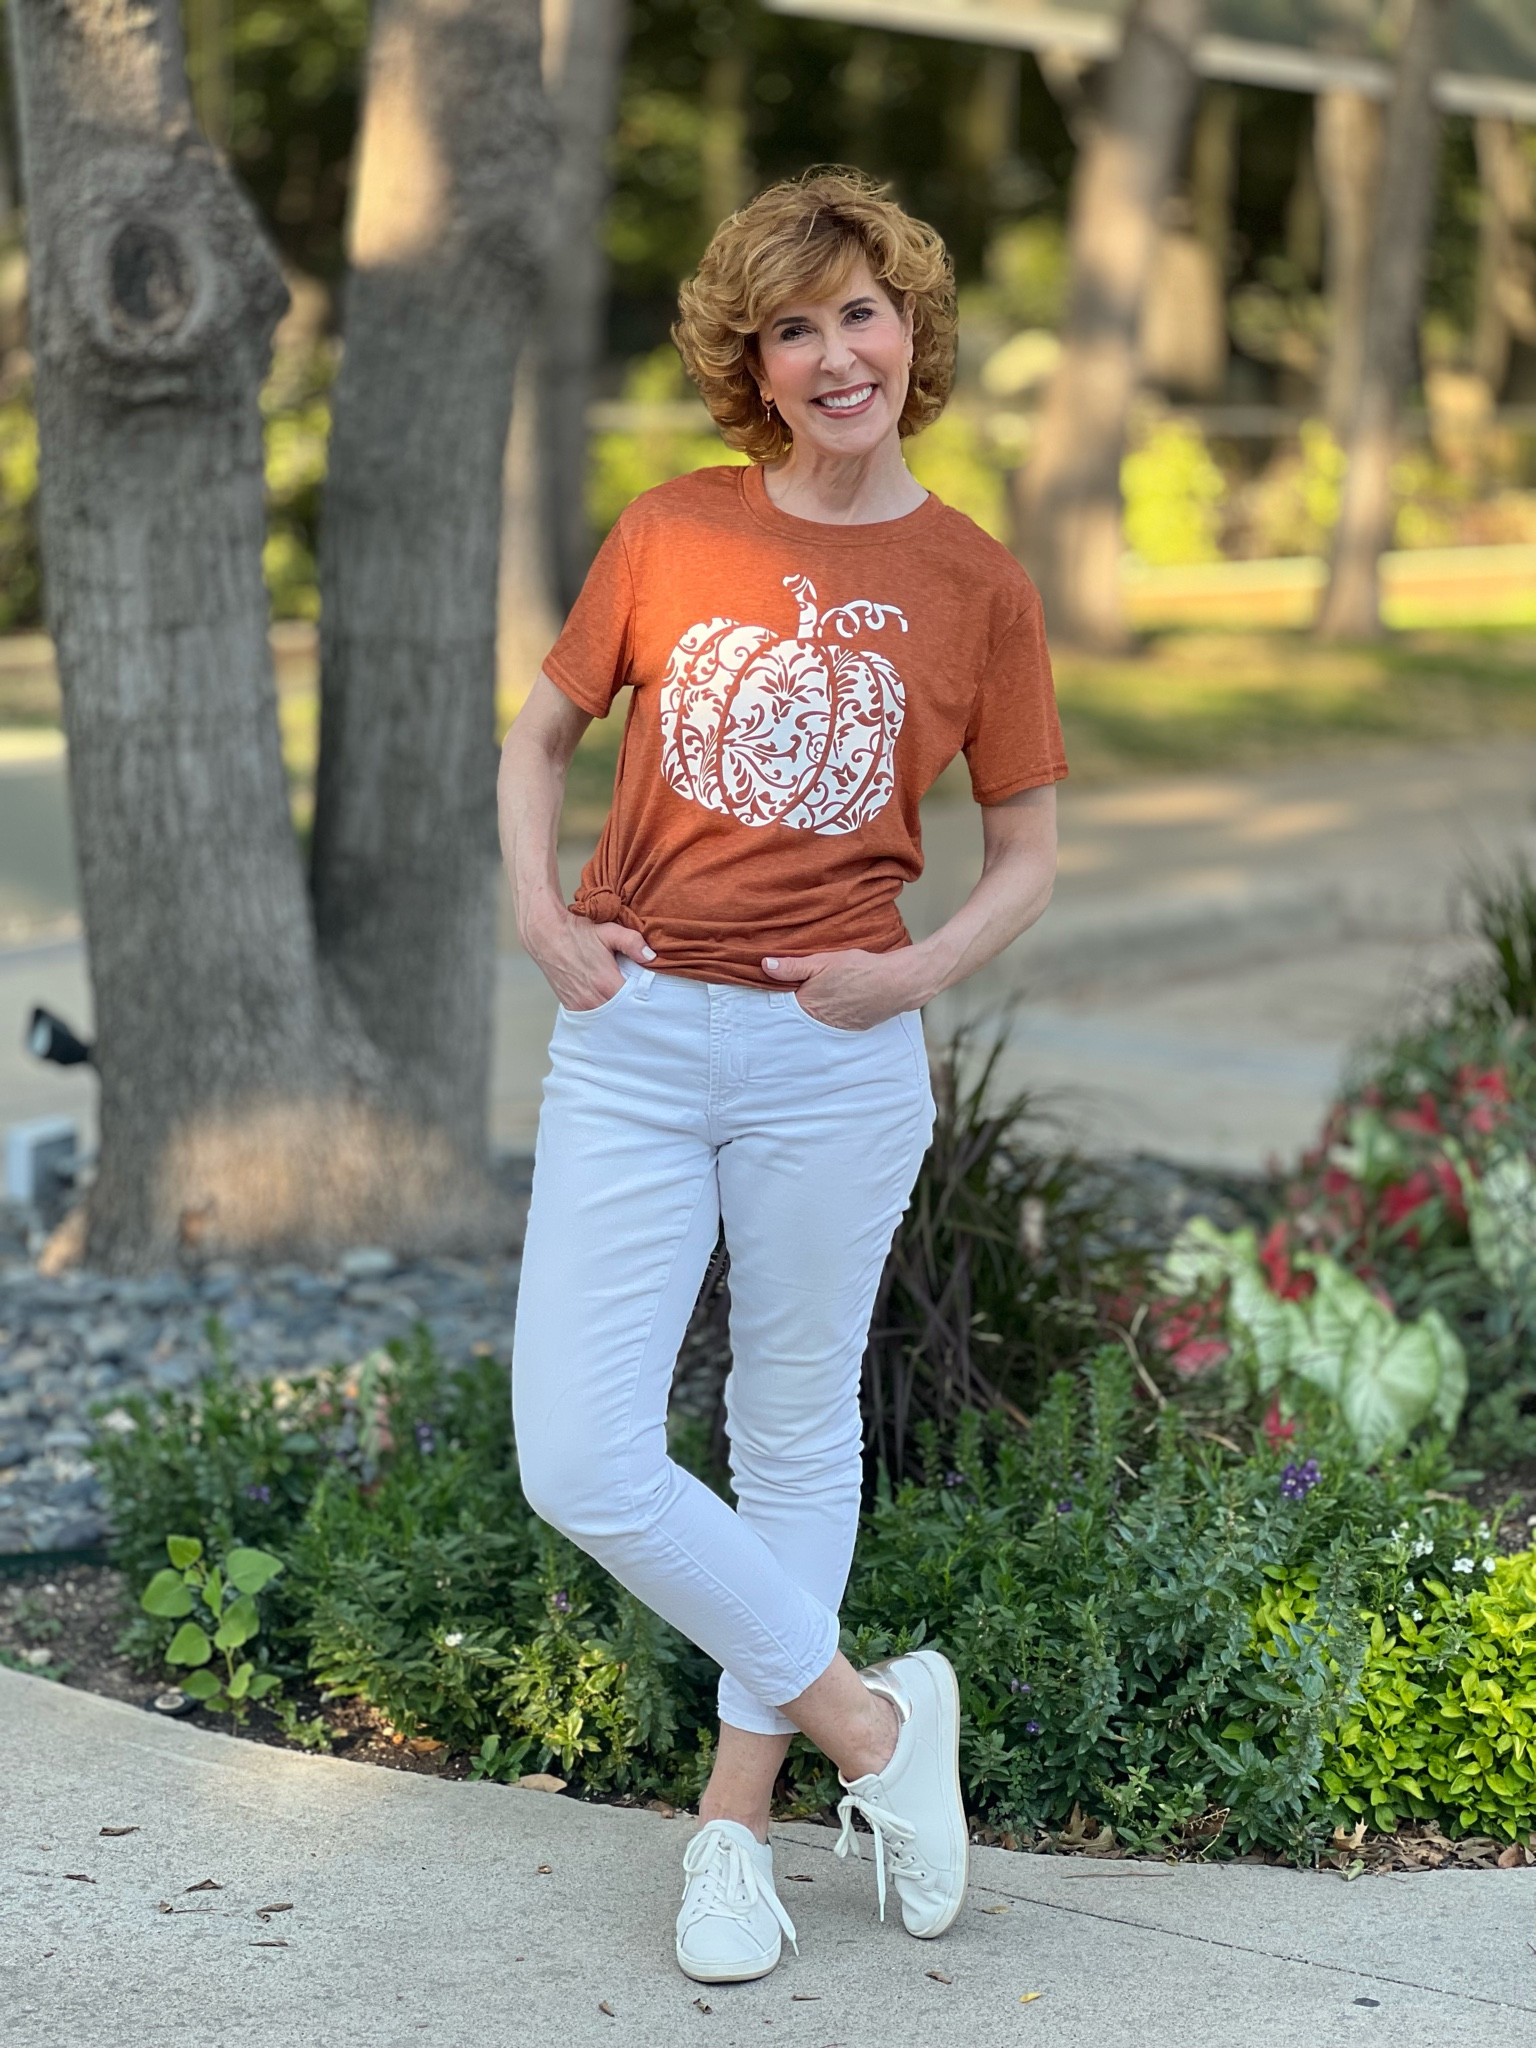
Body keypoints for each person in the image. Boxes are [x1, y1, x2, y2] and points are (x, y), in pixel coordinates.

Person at [498, 168, 1064, 1985]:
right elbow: (542, 734)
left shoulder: (975, 582)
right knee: (580, 1451)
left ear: (915, 330)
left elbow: (1029, 853)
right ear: (754, 361)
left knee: (793, 1429)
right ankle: (881, 1733)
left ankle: (732, 1833)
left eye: (865, 312)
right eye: (796, 325)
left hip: (837, 1058)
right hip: (639, 1034)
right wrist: (540, 916)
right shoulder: (672, 528)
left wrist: (914, 969)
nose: (840, 354)